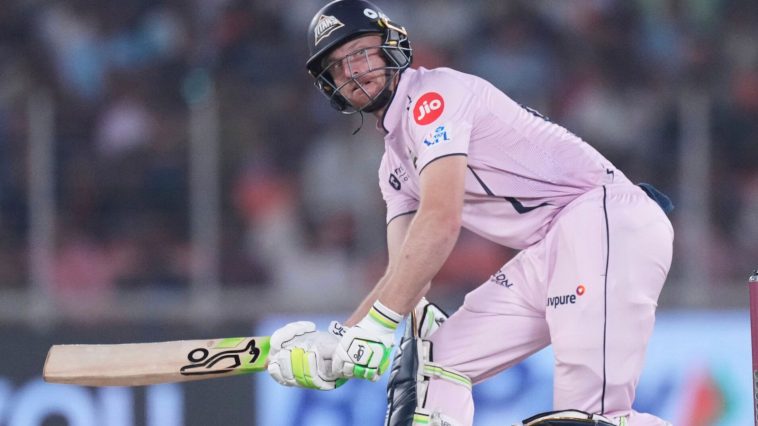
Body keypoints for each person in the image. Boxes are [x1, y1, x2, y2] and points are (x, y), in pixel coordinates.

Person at [266, 1, 674, 425]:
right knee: (434, 367)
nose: (353, 70)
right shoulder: (393, 168)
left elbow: (440, 220)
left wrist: (376, 327)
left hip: (604, 221)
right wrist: (341, 340)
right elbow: (406, 273)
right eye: (337, 65)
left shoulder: (433, 97)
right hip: (552, 247)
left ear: (390, 47)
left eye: (361, 52)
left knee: (588, 419)